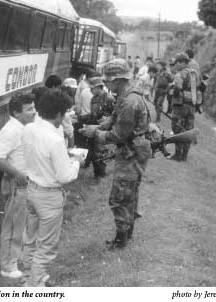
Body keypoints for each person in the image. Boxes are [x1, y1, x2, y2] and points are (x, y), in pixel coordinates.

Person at [80, 59, 152, 250]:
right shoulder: (126, 94)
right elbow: (115, 118)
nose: (106, 84)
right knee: (129, 194)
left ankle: (121, 240)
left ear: (118, 79)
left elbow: (118, 135)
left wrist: (95, 133)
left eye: (108, 81)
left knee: (120, 197)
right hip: (133, 151)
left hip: (131, 153)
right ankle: (127, 235)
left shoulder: (129, 101)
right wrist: (100, 125)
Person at [22, 90, 83, 286]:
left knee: (30, 239)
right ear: (58, 114)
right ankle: (34, 287)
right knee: (46, 246)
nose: (65, 117)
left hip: (31, 189)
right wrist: (76, 162)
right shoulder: (55, 139)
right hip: (49, 196)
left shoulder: (29, 128)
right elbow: (65, 176)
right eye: (65, 113)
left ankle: (29, 277)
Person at [0, 93, 36, 279]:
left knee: (20, 224)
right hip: (16, 184)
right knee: (12, 225)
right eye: (30, 109)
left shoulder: (22, 127)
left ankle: (16, 258)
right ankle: (7, 266)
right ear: (17, 113)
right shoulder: (11, 131)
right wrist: (17, 174)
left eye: (33, 107)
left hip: (23, 183)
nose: (34, 112)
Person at [84, 77, 115, 178]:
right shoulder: (93, 99)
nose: (90, 90)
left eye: (92, 88)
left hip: (104, 130)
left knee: (99, 152)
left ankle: (101, 174)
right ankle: (96, 174)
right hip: (94, 128)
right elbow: (93, 115)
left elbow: (115, 116)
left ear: (98, 87)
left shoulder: (109, 98)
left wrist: (106, 121)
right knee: (93, 151)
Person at [170, 52, 196, 161]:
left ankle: (177, 155)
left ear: (181, 62)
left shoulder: (180, 74)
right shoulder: (194, 73)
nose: (176, 65)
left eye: (177, 63)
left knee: (178, 128)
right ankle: (184, 156)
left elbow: (177, 89)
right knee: (188, 130)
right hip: (192, 106)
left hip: (181, 106)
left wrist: (172, 92)